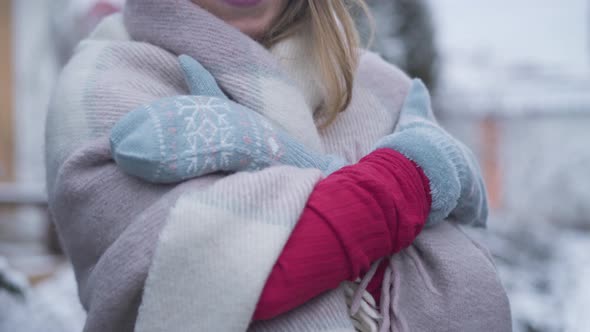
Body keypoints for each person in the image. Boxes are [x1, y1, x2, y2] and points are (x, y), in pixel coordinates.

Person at [45, 0, 512, 331]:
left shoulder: (374, 85)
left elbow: (464, 253)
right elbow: (210, 279)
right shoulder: (107, 86)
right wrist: (407, 180)